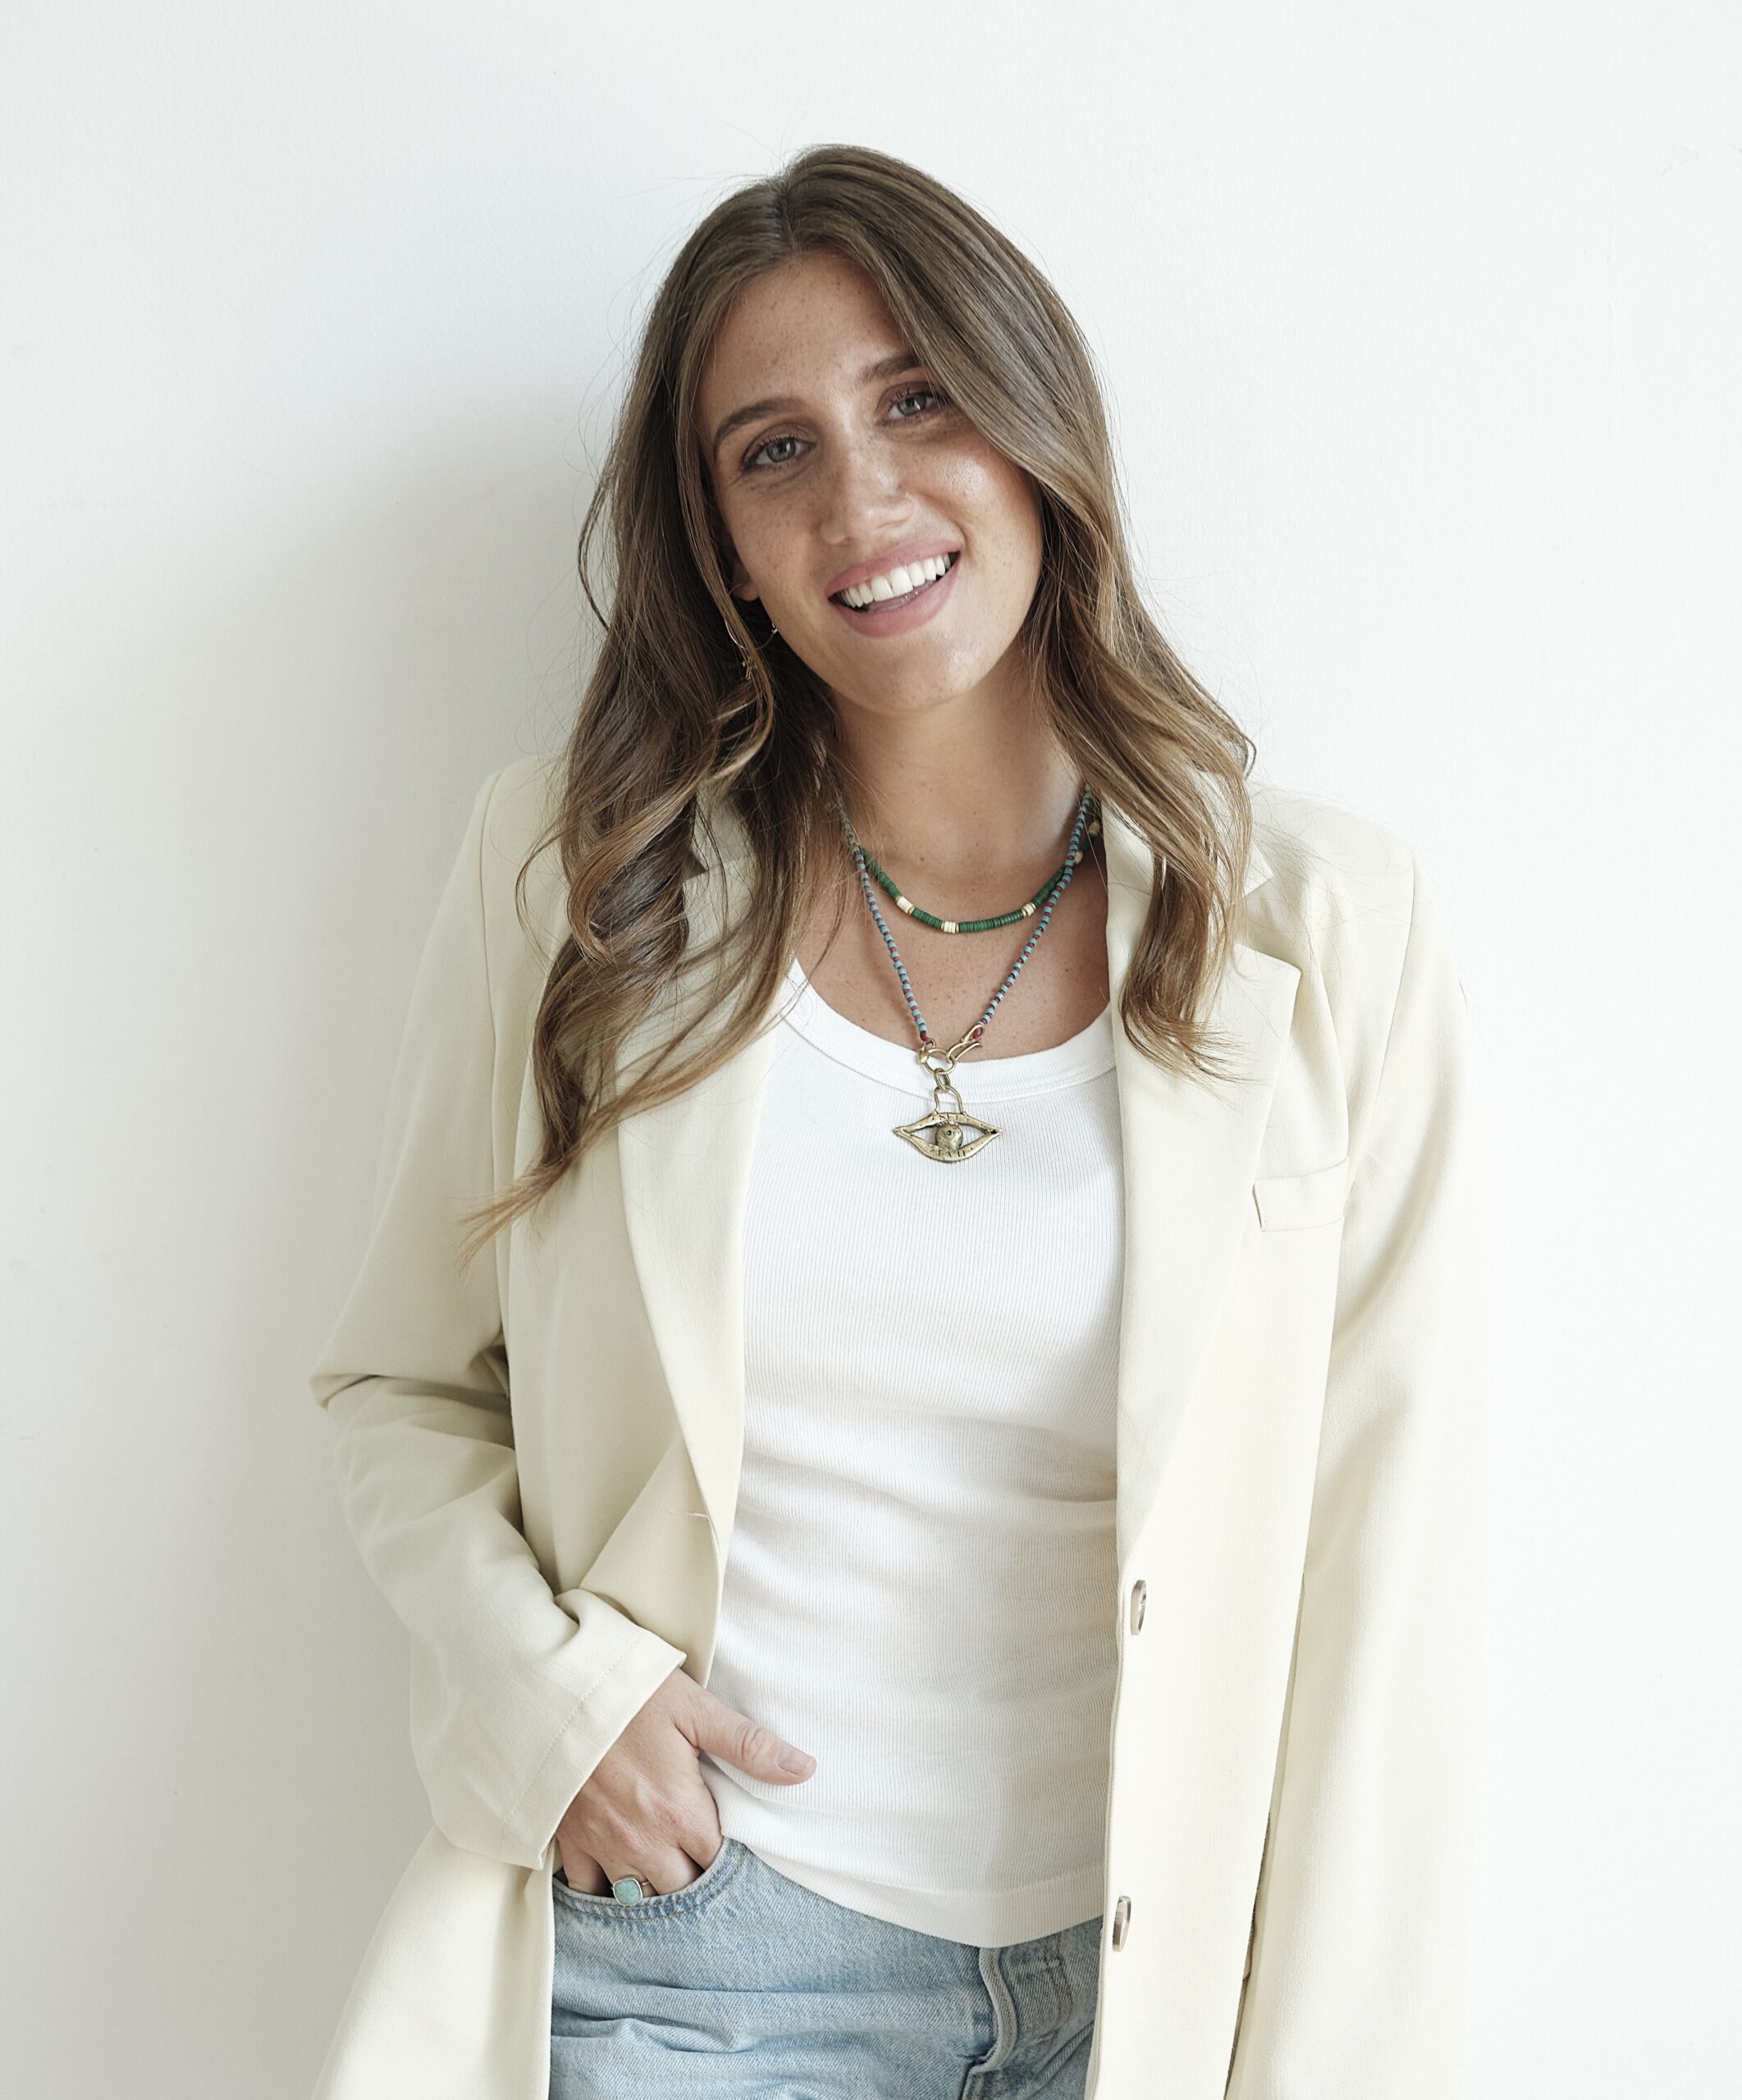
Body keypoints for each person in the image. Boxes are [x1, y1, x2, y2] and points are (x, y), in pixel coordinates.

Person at [308, 144, 1488, 2100]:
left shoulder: (1330, 932)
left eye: (917, 398)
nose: (862, 499)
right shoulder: (575, 881)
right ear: (725, 550)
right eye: (772, 452)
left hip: (1148, 1996)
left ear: (1038, 431)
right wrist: (555, 1699)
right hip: (696, 1961)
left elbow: (1384, 1586)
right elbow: (400, 1383)